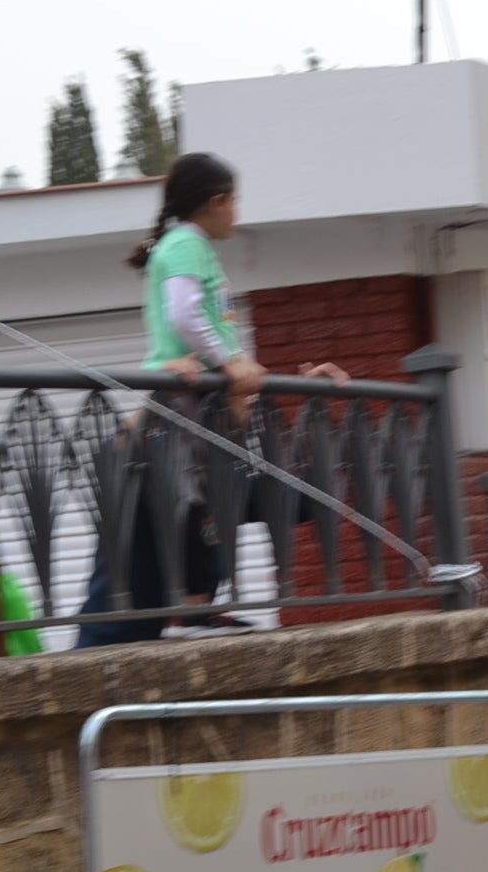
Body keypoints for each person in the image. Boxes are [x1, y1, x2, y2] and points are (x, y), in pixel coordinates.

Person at [89, 152, 343, 646]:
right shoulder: (186, 243)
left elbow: (299, 500)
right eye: (235, 202)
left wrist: (312, 405)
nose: (237, 213)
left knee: (204, 496)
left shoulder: (185, 245)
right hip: (188, 393)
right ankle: (192, 610)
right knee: (189, 495)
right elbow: (185, 316)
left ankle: (198, 608)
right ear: (217, 201)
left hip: (197, 392)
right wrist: (229, 364)